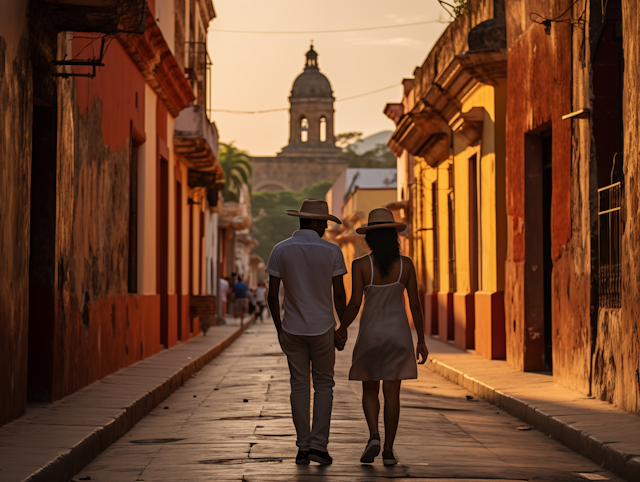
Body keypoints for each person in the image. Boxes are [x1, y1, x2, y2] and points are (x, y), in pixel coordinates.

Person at [335, 208, 429, 466]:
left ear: (370, 239)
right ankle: (388, 451)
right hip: (398, 336)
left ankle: (373, 435)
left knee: (369, 388)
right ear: (394, 237)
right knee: (393, 393)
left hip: (371, 335)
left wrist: (341, 329)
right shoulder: (406, 265)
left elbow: (354, 304)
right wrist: (420, 339)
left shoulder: (360, 265)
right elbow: (415, 305)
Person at [266, 199, 347, 466]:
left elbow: (272, 294)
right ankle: (318, 447)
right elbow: (339, 294)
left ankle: (302, 447)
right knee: (324, 386)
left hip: (292, 327)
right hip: (323, 327)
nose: (325, 226)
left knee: (299, 387)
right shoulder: (332, 251)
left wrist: (280, 328)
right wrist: (342, 326)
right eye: (323, 222)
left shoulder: (280, 249)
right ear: (313, 221)